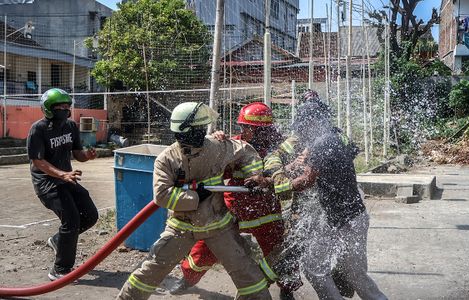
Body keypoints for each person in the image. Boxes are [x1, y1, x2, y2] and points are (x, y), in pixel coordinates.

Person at [116, 102, 271, 300]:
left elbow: (245, 151)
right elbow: (162, 195)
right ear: (183, 131)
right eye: (197, 129)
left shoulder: (215, 147)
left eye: (201, 128)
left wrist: (255, 174)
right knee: (152, 269)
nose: (201, 133)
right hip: (182, 227)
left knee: (245, 271)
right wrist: (197, 197)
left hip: (218, 226)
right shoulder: (167, 159)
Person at [170, 102, 300, 299]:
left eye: (245, 127)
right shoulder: (234, 146)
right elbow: (212, 164)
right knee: (207, 248)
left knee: (279, 251)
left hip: (266, 212)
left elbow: (292, 171)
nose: (242, 131)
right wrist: (214, 142)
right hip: (235, 210)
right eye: (242, 127)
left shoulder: (279, 149)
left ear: (258, 129)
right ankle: (188, 278)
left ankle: (287, 289)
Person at [278, 100, 387, 300]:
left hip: (342, 218)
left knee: (314, 268)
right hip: (353, 216)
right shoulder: (335, 138)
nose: (300, 132)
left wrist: (277, 187)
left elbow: (306, 181)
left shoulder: (320, 144)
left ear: (312, 123)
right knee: (354, 273)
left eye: (302, 127)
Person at [27, 88, 99, 281]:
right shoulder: (38, 129)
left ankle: (58, 240)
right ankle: (60, 270)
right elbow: (38, 161)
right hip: (47, 183)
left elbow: (78, 154)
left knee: (90, 215)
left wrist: (88, 155)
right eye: (60, 106)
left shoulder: (70, 126)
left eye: (67, 106)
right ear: (48, 108)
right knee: (72, 221)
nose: (65, 109)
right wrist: (62, 174)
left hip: (66, 179)